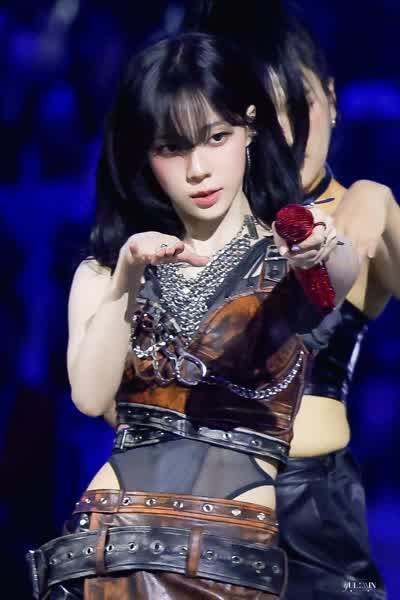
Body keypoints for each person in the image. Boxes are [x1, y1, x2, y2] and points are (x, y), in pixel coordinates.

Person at [26, 32, 359, 600]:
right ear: (143, 154)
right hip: (107, 544)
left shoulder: (289, 253)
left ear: (250, 128)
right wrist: (128, 277)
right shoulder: (107, 271)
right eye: (171, 148)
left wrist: (318, 242)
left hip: (226, 556)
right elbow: (88, 397)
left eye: (216, 137)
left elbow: (339, 268)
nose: (198, 169)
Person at [181, 1, 400, 597]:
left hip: (311, 514)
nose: (288, 131)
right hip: (194, 514)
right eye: (259, 113)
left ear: (331, 97)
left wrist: (379, 200)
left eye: (299, 102)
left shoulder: (361, 213)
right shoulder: (195, 225)